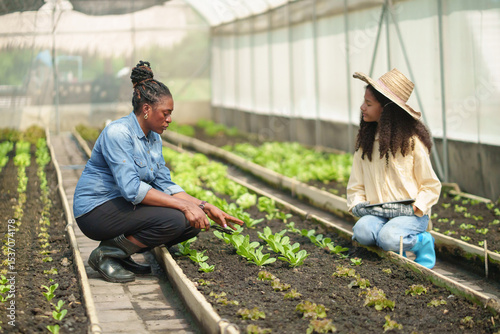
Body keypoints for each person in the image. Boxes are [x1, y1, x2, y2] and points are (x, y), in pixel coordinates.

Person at [73, 61, 243, 283]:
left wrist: (204, 206)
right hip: (96, 210)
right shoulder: (118, 133)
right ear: (146, 109)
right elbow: (132, 190)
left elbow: (165, 184)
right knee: (174, 219)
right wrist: (185, 206)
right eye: (166, 113)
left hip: (122, 205)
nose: (169, 119)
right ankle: (105, 255)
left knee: (191, 223)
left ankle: (121, 254)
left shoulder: (154, 139)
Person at [346, 68, 441, 269]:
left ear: (386, 109)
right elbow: (356, 186)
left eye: (369, 103)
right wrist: (358, 204)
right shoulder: (366, 144)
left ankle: (422, 242)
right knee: (361, 231)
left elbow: (431, 185)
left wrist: (416, 207)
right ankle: (390, 238)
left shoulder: (412, 143)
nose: (362, 107)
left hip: (410, 214)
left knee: (388, 238)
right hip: (378, 212)